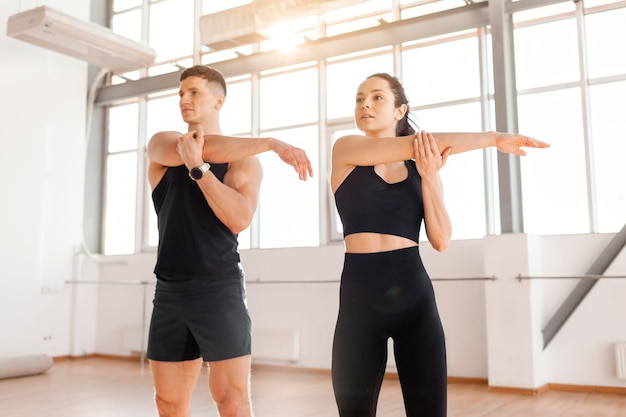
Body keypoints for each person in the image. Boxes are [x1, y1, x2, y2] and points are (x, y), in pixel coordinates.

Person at [330, 72, 549, 417]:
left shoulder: (422, 166)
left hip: (414, 299)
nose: (365, 105)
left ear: (400, 110)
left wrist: (430, 175)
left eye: (376, 98)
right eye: (359, 99)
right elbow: (415, 144)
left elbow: (441, 239)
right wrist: (493, 138)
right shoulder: (345, 149)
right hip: (359, 302)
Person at [146, 64, 312, 417]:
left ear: (219, 100)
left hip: (218, 288)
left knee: (232, 401)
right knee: (167, 402)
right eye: (180, 93)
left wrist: (200, 172)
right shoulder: (163, 145)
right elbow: (193, 147)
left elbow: (238, 219)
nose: (184, 99)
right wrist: (270, 142)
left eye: (195, 92)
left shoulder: (246, 163)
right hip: (169, 292)